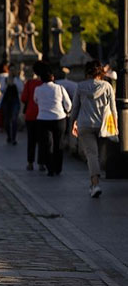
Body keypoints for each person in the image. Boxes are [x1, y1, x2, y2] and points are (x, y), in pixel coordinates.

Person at [71, 60, 117, 198]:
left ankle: (95, 184)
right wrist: (115, 126)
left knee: (92, 155)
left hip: (85, 124)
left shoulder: (80, 86)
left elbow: (75, 108)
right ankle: (95, 181)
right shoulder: (107, 86)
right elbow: (114, 109)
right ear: (101, 72)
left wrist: (73, 123)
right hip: (103, 125)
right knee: (99, 156)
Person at [34, 67, 72, 176]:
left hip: (43, 119)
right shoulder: (59, 88)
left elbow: (35, 100)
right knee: (58, 144)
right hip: (59, 119)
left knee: (47, 144)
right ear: (53, 77)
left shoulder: (38, 89)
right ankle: (58, 168)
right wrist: (67, 111)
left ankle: (50, 168)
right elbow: (68, 104)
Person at [21, 61, 47, 171]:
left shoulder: (30, 83)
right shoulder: (46, 84)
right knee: (42, 140)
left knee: (31, 140)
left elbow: (24, 98)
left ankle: (30, 162)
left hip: (30, 115)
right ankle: (41, 163)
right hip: (43, 115)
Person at [0, 63, 24, 145]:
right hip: (6, 101)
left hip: (15, 101)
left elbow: (21, 90)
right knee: (6, 120)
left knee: (14, 119)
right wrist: (7, 84)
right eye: (11, 70)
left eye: (14, 70)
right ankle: (9, 136)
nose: (12, 72)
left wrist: (15, 82)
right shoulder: (5, 79)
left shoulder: (18, 80)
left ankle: (14, 138)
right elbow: (2, 89)